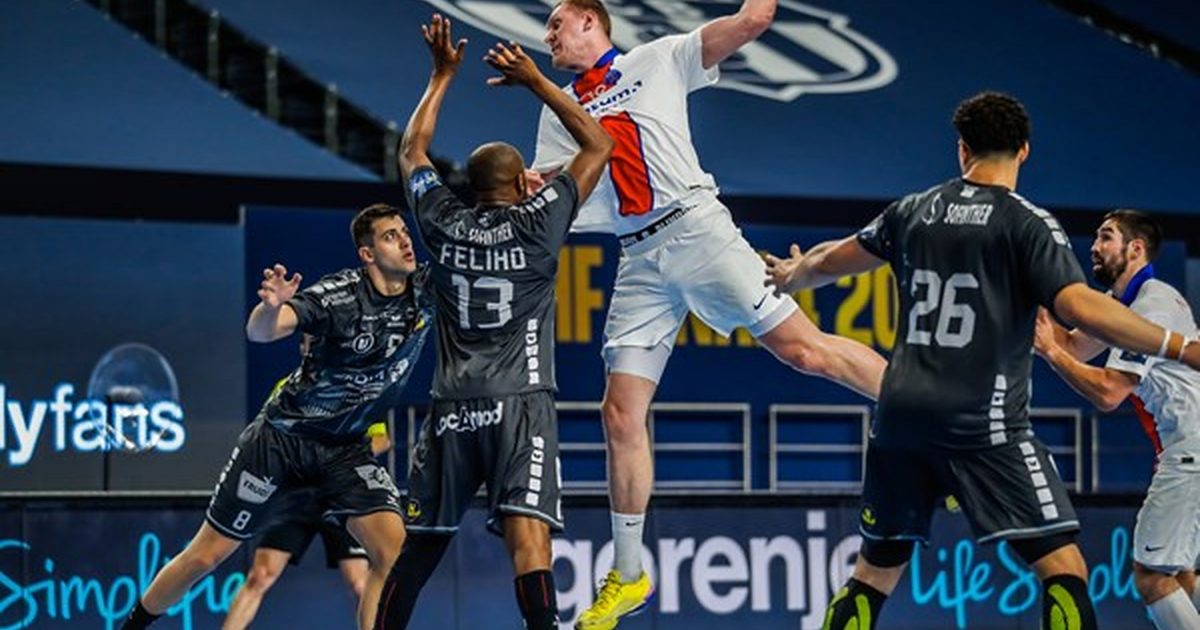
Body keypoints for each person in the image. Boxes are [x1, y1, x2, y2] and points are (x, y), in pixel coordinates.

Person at [763, 91, 1200, 630]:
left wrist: (793, 275)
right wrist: (1180, 346)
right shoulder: (1026, 223)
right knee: (1064, 571)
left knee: (872, 574)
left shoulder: (912, 210)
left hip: (899, 418)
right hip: (983, 422)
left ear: (962, 149)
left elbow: (834, 258)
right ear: (1024, 150)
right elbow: (1078, 306)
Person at [530, 3, 889, 626]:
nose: (547, 35)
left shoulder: (659, 59)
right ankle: (629, 574)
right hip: (638, 255)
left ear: (590, 20)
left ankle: (935, 416)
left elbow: (753, 20)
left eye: (557, 23)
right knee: (619, 412)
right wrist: (533, 184)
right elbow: (560, 185)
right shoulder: (558, 106)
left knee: (805, 352)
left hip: (698, 231)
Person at [370, 14, 611, 630]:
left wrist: (440, 75)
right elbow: (598, 146)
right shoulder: (539, 222)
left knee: (420, 547)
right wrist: (537, 82)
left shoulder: (442, 221)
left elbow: (411, 151)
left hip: (452, 407)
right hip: (520, 403)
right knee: (529, 543)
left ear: (471, 186)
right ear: (520, 185)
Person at [121, 204, 433, 630]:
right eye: (390, 236)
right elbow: (261, 331)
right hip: (282, 441)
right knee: (206, 556)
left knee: (393, 554)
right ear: (368, 254)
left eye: (404, 232)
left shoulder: (427, 290)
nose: (405, 241)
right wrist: (270, 307)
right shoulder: (340, 296)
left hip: (346, 452)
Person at [1033, 209, 1200, 629]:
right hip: (1188, 449)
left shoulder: (1151, 305)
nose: (1095, 246)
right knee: (1180, 574)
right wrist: (1029, 300)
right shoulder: (1118, 303)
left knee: (1152, 576)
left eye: (1106, 237)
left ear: (1135, 249)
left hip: (1190, 451)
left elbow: (1108, 392)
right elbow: (1074, 346)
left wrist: (1050, 354)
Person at [223, 357, 394, 630]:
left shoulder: (362, 388)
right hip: (297, 496)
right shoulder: (288, 386)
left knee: (360, 583)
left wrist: (336, 462)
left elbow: (382, 440)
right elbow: (269, 434)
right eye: (305, 343)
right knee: (260, 575)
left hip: (341, 495)